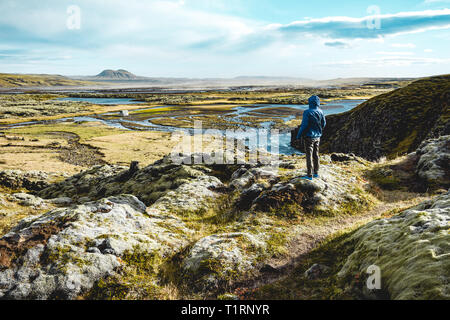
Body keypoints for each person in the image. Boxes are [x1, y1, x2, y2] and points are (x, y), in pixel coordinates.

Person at [296, 95, 326, 180]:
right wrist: (319, 130)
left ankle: (309, 175)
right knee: (316, 155)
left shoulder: (307, 112)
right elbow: (324, 124)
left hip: (309, 137)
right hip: (318, 136)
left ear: (310, 102)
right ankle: (316, 173)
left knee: (309, 155)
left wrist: (298, 135)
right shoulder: (321, 111)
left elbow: (304, 125)